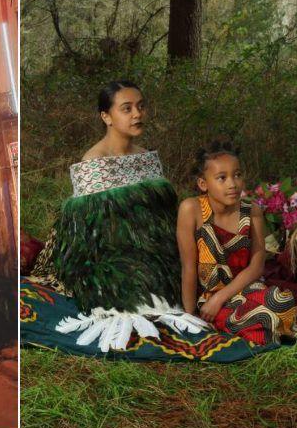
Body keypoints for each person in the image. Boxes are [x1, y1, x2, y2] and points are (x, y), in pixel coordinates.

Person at [43, 81, 208, 352]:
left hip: (157, 247)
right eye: (127, 109)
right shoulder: (92, 163)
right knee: (146, 296)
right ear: (106, 117)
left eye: (141, 107)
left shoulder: (147, 157)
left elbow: (163, 217)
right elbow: (91, 234)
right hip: (112, 254)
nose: (137, 114)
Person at [176, 142, 297, 345]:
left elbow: (257, 266)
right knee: (261, 317)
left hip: (244, 289)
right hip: (209, 296)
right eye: (222, 178)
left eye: (237, 175)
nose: (232, 184)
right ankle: (288, 316)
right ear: (203, 184)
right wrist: (190, 315)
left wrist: (220, 298)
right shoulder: (191, 209)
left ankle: (286, 313)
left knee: (278, 299)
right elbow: (188, 267)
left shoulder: (252, 211)